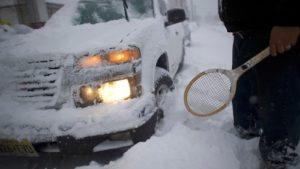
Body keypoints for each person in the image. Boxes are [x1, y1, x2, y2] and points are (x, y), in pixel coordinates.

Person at [218, 0, 300, 168]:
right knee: (245, 124)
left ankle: (280, 159)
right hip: (245, 34)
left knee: (279, 147)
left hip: (275, 33)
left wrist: (291, 19)